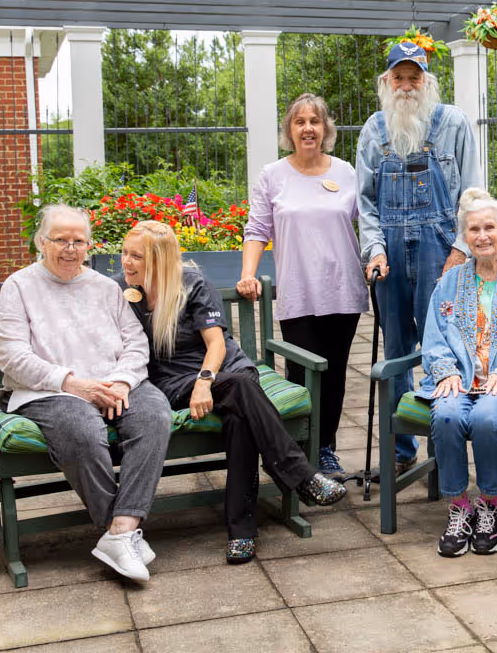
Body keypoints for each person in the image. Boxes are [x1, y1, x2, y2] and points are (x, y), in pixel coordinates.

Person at [119, 220, 347, 564]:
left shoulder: (191, 284)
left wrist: (204, 382)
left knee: (240, 409)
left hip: (223, 369)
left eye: (136, 256)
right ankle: (300, 478)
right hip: (173, 381)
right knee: (241, 398)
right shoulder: (122, 292)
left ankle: (243, 532)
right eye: (124, 253)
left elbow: (216, 345)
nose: (126, 262)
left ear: (160, 260)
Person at [0, 204, 170, 583]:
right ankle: (122, 534)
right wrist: (72, 383)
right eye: (60, 240)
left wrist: (121, 381)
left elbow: (136, 345)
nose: (70, 249)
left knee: (154, 415)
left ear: (89, 245)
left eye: (78, 241)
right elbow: (11, 355)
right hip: (49, 391)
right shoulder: (19, 286)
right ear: (42, 242)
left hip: (113, 384)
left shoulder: (107, 289)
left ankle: (121, 529)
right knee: (84, 430)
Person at [357, 42, 481, 474]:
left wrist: (460, 250)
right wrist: (373, 250)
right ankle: (400, 451)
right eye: (399, 77)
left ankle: (443, 446)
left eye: (414, 77)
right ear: (387, 82)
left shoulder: (454, 124)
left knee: (444, 346)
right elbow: (366, 202)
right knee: (395, 350)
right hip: (389, 251)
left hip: (440, 249)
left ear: (427, 81)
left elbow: (472, 193)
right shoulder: (374, 131)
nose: (406, 85)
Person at [237, 93, 367, 479]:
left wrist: (379, 256)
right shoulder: (273, 175)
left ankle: (325, 449)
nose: (308, 128)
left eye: (315, 121)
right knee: (301, 373)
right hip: (297, 293)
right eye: (300, 121)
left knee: (336, 373)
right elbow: (257, 229)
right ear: (289, 130)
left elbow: (371, 222)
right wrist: (248, 274)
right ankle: (299, 453)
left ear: (326, 129)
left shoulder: (345, 172)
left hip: (343, 291)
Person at [419, 188, 497, 557]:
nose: (482, 236)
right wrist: (444, 371)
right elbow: (434, 336)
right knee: (445, 414)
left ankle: (489, 506)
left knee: (489, 417)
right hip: (459, 378)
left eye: (489, 227)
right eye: (474, 229)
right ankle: (459, 508)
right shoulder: (449, 282)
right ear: (466, 236)